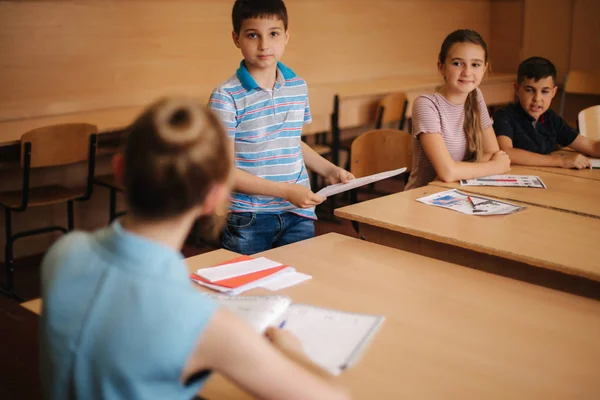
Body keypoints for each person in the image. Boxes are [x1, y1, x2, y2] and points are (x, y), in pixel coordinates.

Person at [40, 97, 350, 400]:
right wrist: (292, 353)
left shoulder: (63, 253)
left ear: (120, 170)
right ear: (214, 197)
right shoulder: (205, 326)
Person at [209, 0, 353, 255]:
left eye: (273, 34)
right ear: (236, 38)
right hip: (248, 217)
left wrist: (329, 169)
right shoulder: (226, 96)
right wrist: (286, 191)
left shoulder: (297, 86)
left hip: (298, 213)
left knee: (296, 285)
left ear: (286, 36)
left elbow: (290, 141)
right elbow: (224, 172)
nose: (264, 45)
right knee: (248, 290)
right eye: (253, 35)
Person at [405, 29, 510, 189]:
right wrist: (496, 167)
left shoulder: (475, 96)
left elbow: (492, 152)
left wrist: (459, 170)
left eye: (475, 64)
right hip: (423, 197)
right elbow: (447, 172)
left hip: (460, 191)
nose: (467, 72)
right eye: (457, 63)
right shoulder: (425, 105)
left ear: (484, 68)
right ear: (441, 67)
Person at [493, 56, 600, 169]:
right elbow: (507, 152)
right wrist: (560, 161)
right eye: (529, 90)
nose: (537, 99)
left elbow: (591, 146)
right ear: (517, 89)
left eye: (545, 91)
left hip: (547, 178)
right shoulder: (504, 116)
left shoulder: (552, 120)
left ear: (553, 92)